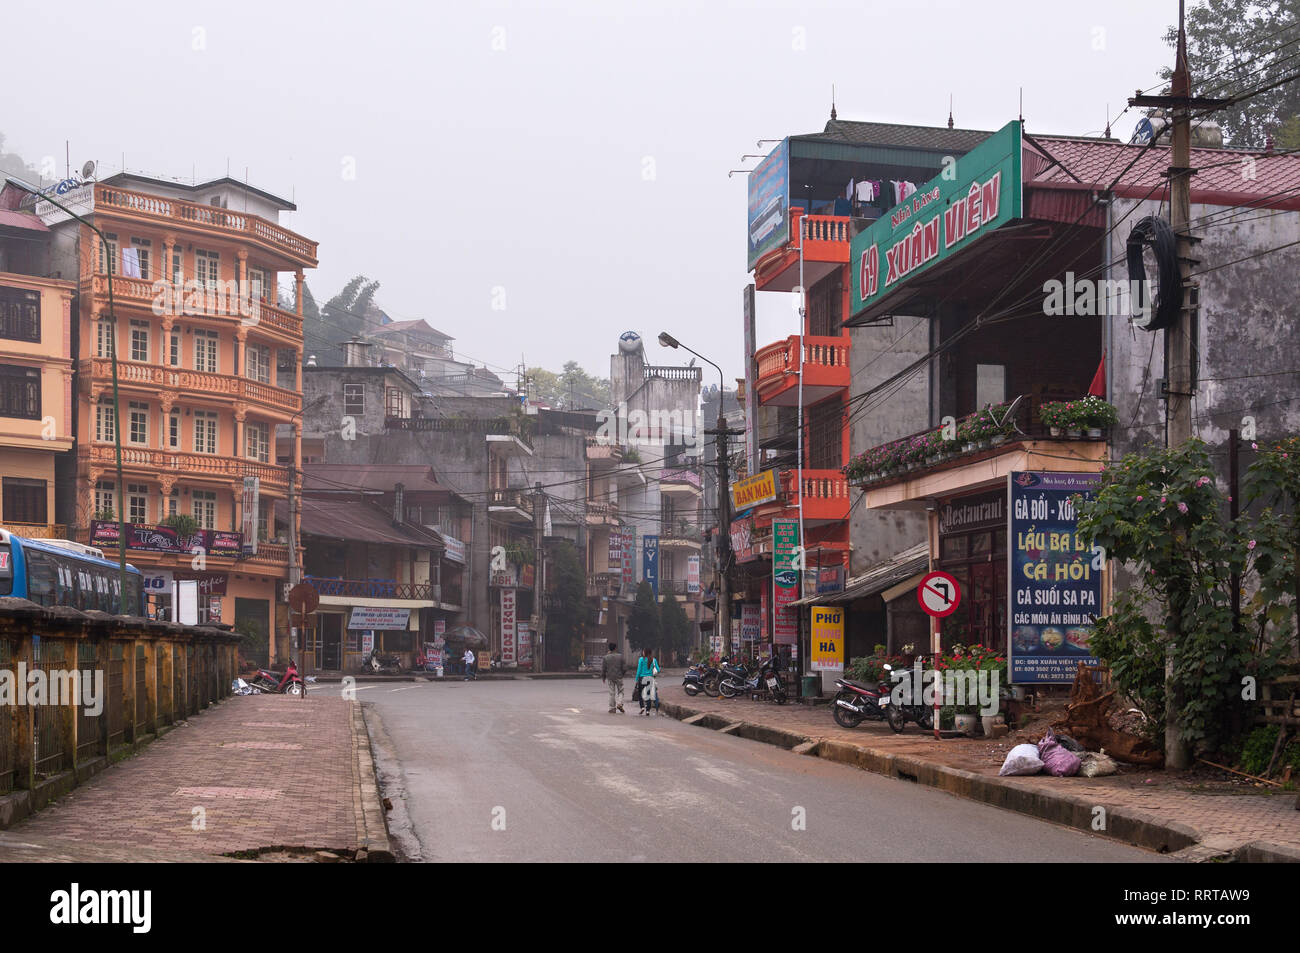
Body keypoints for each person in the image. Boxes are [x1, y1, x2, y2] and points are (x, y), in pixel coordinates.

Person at [635, 647, 660, 716]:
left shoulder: (641, 659)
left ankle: (642, 707)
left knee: (640, 694)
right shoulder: (653, 660)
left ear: (645, 652)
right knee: (648, 695)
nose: (642, 652)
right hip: (650, 679)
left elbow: (639, 670)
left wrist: (636, 679)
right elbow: (658, 669)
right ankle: (648, 711)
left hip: (642, 678)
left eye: (643, 651)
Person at [601, 642, 625, 713]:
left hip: (610, 677)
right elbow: (625, 668)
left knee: (612, 692)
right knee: (621, 691)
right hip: (619, 676)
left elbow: (603, 669)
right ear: (615, 648)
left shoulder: (606, 657)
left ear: (609, 648)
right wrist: (622, 674)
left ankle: (612, 708)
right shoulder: (620, 656)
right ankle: (620, 704)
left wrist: (603, 677)